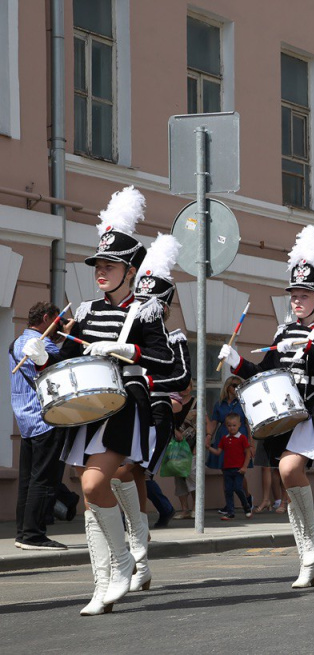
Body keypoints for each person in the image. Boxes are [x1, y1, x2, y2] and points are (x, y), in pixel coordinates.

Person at [22, 186, 175, 615]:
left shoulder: (144, 313)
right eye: (98, 265)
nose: (101, 271)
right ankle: (102, 582)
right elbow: (69, 360)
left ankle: (125, 560)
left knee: (92, 483)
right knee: (90, 498)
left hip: (125, 405)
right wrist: (41, 359)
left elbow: (170, 364)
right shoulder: (86, 312)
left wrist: (131, 352)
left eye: (110, 265)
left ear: (130, 270)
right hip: (88, 407)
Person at [219, 226, 314, 589]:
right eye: (293, 295)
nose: (296, 301)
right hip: (280, 409)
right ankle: (307, 555)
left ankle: (311, 540)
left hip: (311, 408)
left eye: (303, 295)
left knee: (290, 469)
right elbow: (265, 373)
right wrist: (237, 364)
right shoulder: (281, 333)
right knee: (285, 475)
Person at [109, 233, 189, 591]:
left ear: (164, 308)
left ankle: (138, 555)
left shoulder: (174, 339)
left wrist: (159, 386)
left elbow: (183, 376)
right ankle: (139, 556)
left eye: (150, 302)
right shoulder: (127, 329)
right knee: (128, 477)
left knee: (129, 473)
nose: (143, 307)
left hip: (156, 411)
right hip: (126, 405)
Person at [10, 301, 67, 550]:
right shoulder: (39, 343)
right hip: (46, 418)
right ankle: (34, 535)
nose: (60, 326)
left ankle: (23, 533)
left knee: (27, 480)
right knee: (43, 480)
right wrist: (72, 337)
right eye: (58, 321)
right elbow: (59, 367)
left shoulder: (18, 342)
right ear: (46, 318)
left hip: (26, 419)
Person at [206, 376, 249, 511]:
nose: (236, 388)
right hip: (224, 438)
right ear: (227, 387)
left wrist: (252, 444)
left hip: (240, 439)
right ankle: (228, 505)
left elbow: (248, 424)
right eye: (234, 385)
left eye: (239, 386)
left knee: (240, 472)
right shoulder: (220, 404)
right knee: (226, 471)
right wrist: (208, 437)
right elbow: (214, 422)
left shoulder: (243, 402)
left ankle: (247, 499)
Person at [205, 413, 252, 520]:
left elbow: (248, 453)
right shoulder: (224, 439)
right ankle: (230, 512)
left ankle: (246, 507)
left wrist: (244, 467)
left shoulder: (242, 438)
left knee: (238, 488)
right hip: (227, 469)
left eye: (234, 425)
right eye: (229, 425)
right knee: (228, 490)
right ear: (226, 426)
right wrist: (208, 448)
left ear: (239, 425)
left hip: (239, 469)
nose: (232, 428)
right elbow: (218, 452)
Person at [171, 383, 198, 519]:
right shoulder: (173, 401)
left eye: (188, 385)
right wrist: (174, 431)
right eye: (183, 384)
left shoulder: (197, 402)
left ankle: (196, 508)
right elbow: (167, 420)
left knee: (192, 476)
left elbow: (203, 424)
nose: (185, 388)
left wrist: (198, 446)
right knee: (179, 477)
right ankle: (184, 509)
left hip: (192, 444)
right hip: (176, 444)